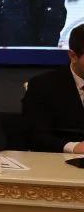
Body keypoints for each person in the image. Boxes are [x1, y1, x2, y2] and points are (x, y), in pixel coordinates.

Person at [22, 23, 84, 154]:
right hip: (60, 161)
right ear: (73, 56)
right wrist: (73, 147)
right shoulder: (43, 85)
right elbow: (35, 135)